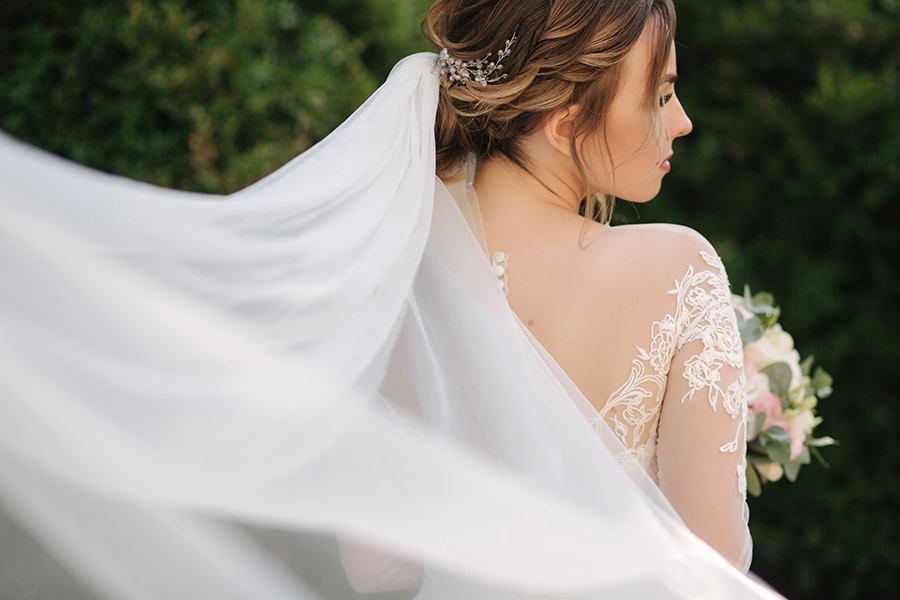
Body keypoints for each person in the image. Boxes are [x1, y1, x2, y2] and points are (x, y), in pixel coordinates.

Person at [0, 1, 782, 598]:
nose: (681, 121)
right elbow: (713, 565)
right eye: (663, 93)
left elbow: (376, 567)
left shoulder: (397, 269)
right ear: (566, 117)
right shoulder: (681, 268)